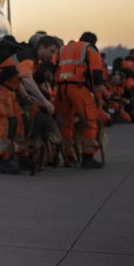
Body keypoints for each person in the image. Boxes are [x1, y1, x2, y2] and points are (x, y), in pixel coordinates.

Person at [0, 35, 58, 174]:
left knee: (20, 124)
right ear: (42, 48)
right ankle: (3, 161)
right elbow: (27, 80)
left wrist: (24, 96)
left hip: (8, 91)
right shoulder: (29, 58)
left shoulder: (30, 58)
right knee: (7, 124)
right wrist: (44, 101)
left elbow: (15, 76)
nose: (52, 56)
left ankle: (22, 156)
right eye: (52, 51)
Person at [56, 32, 106, 168]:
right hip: (78, 88)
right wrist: (98, 100)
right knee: (89, 122)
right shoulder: (90, 49)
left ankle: (69, 156)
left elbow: (54, 70)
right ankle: (88, 158)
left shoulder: (63, 49)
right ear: (93, 42)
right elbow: (96, 76)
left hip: (60, 89)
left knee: (66, 123)